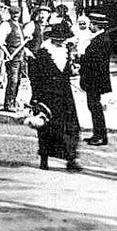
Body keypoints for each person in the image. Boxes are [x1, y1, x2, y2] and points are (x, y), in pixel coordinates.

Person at [27, 21, 82, 171]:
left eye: (63, 38)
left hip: (65, 95)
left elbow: (68, 72)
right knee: (47, 127)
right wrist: (36, 98)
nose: (61, 41)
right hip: (47, 95)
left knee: (70, 126)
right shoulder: (43, 53)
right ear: (52, 38)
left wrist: (73, 68)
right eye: (58, 39)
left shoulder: (66, 51)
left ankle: (71, 159)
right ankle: (44, 158)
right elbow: (35, 78)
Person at [78, 13, 112, 145]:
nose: (89, 26)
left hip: (95, 79)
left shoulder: (101, 40)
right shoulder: (100, 38)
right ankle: (98, 134)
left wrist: (81, 61)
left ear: (96, 25)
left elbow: (94, 61)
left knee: (95, 107)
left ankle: (100, 136)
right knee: (94, 107)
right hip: (95, 78)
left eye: (91, 24)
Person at [0, 4, 28, 111]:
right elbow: (1, 43)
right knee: (13, 80)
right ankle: (8, 104)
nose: (15, 15)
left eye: (17, 13)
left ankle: (14, 101)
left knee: (19, 80)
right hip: (11, 57)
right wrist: (7, 54)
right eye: (13, 13)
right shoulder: (6, 25)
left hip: (21, 57)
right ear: (10, 14)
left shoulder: (20, 26)